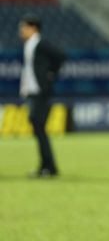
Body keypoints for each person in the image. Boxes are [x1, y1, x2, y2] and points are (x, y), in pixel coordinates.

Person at [18, 13, 65, 178]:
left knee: (39, 128)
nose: (21, 30)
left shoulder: (40, 43)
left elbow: (61, 55)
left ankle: (49, 167)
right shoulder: (29, 45)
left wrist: (51, 73)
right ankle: (46, 166)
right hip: (32, 91)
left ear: (33, 28)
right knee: (38, 128)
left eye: (23, 27)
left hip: (40, 92)